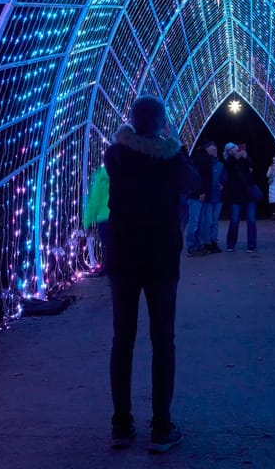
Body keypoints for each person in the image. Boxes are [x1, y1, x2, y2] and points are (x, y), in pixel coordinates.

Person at [103, 95, 199, 453]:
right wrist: (175, 144)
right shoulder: (172, 158)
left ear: (131, 120)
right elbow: (194, 182)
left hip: (123, 257)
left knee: (122, 340)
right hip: (160, 259)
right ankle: (161, 426)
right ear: (161, 123)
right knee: (163, 340)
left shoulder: (115, 155)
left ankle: (121, 425)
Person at [187, 140, 224, 255]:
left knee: (200, 221)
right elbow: (198, 177)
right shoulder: (200, 158)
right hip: (196, 195)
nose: (215, 151)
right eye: (213, 149)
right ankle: (192, 247)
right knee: (195, 221)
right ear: (207, 148)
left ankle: (198, 245)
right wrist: (201, 192)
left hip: (201, 195)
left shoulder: (204, 158)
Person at [223, 143, 257, 252]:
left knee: (251, 220)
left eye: (234, 148)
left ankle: (251, 244)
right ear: (227, 152)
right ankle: (230, 244)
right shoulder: (229, 161)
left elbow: (251, 166)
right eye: (230, 149)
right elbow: (228, 168)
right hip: (235, 195)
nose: (233, 150)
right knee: (234, 220)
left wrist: (245, 157)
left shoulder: (244, 158)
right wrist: (234, 159)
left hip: (248, 194)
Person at [83, 166, 111, 274]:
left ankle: (109, 269)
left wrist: (87, 223)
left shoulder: (100, 178)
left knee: (108, 245)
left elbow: (94, 202)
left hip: (104, 218)